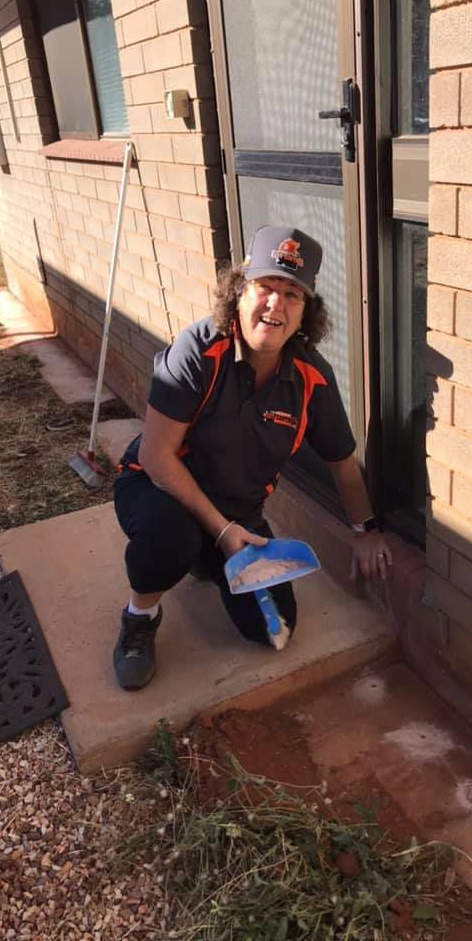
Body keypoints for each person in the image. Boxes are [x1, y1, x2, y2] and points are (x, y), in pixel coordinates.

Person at [113, 225, 393, 691]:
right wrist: (221, 531)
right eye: (265, 287)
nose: (275, 305)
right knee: (169, 537)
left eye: (292, 294)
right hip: (158, 486)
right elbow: (156, 455)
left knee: (273, 628)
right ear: (240, 292)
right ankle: (139, 617)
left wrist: (365, 532)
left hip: (237, 511)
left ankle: (205, 554)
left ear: (305, 312)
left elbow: (343, 462)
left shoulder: (312, 378)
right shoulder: (199, 351)